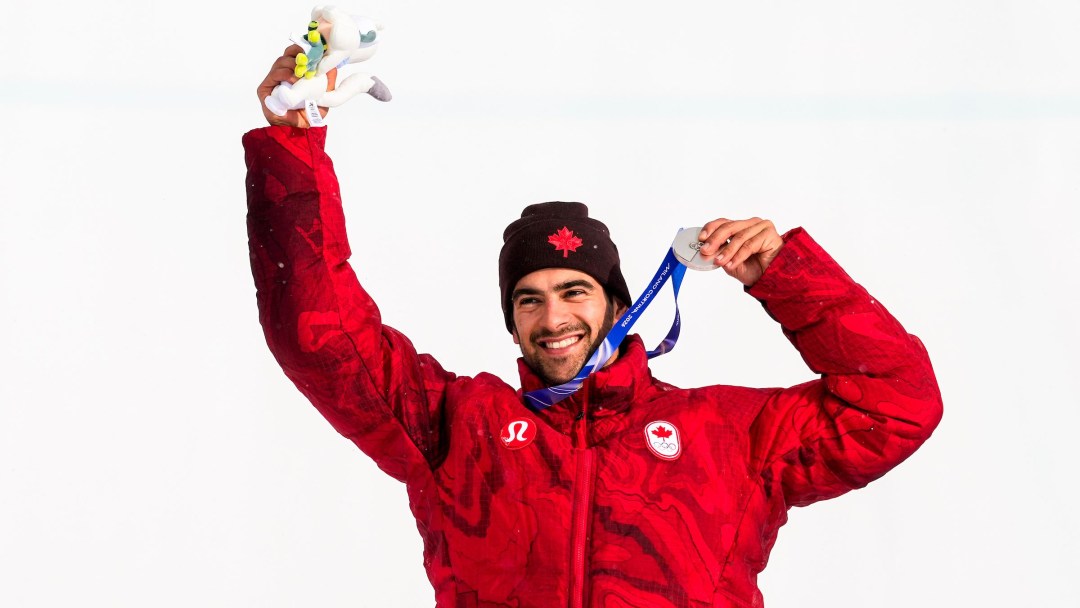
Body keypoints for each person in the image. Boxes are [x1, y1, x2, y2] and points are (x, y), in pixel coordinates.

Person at [244, 47, 943, 608]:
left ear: (617, 304)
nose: (554, 318)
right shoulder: (457, 428)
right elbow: (322, 338)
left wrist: (783, 273)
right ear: (512, 325)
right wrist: (291, 148)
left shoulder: (730, 436)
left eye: (575, 291)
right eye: (529, 300)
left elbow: (898, 402)